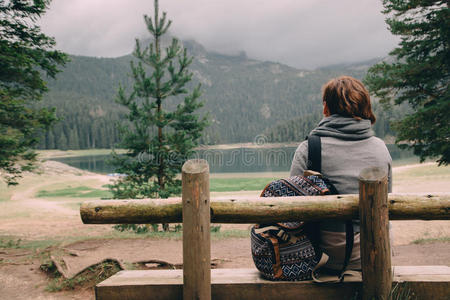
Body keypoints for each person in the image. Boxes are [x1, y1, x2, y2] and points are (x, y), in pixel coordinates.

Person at [289, 75, 392, 272]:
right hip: (374, 252)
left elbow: (291, 209)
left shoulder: (309, 148)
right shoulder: (381, 148)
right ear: (365, 107)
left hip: (322, 256)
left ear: (326, 108)